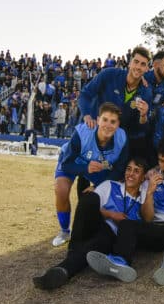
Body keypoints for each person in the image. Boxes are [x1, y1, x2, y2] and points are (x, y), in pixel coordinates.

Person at [87, 138, 164, 286]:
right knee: (127, 224)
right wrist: (150, 192)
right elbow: (147, 218)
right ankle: (120, 262)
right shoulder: (149, 181)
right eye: (161, 161)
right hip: (154, 230)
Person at [33, 158, 147, 290]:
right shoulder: (111, 185)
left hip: (111, 237)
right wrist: (111, 214)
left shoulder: (143, 200)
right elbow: (91, 208)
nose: (131, 174)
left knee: (95, 244)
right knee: (90, 198)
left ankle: (62, 270)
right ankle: (73, 249)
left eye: (136, 171)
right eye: (128, 169)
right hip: (96, 224)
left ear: (143, 178)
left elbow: (146, 220)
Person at [52, 102, 130, 247]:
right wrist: (85, 168)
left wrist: (98, 187)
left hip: (101, 166)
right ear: (98, 119)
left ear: (118, 124)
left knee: (103, 195)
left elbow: (119, 168)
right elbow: (67, 164)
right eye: (105, 120)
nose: (108, 125)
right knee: (61, 189)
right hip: (77, 162)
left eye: (113, 121)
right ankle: (64, 231)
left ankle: (95, 230)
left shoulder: (122, 138)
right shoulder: (82, 132)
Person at [78, 46, 152, 156]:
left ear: (147, 68)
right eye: (136, 62)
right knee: (78, 166)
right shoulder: (109, 74)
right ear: (129, 63)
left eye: (143, 64)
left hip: (115, 144)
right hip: (93, 130)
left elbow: (139, 128)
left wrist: (143, 116)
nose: (138, 67)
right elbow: (85, 94)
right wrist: (87, 115)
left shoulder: (146, 92)